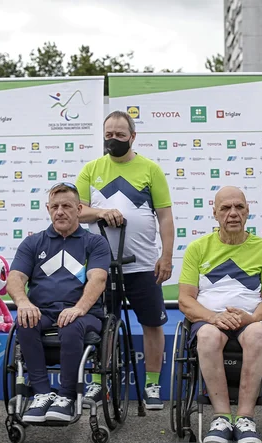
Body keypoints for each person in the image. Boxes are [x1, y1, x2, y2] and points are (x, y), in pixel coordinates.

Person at [75, 110, 174, 410]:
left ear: (133, 137)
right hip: (101, 267)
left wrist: (166, 257)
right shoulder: (92, 169)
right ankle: (97, 382)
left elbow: (166, 217)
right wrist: (101, 212)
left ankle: (153, 385)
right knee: (99, 324)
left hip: (143, 264)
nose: (113, 140)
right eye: (109, 135)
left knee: (152, 324)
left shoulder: (150, 169)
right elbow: (77, 210)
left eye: (120, 135)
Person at [179, 187, 262, 443]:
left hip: (252, 319)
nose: (233, 214)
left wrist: (251, 318)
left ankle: (246, 419)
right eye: (225, 208)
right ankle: (222, 418)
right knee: (208, 336)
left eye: (239, 207)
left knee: (259, 334)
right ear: (215, 214)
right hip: (210, 319)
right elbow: (186, 299)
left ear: (248, 211)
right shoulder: (197, 248)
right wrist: (213, 318)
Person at [7, 182, 111, 423]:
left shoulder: (94, 243)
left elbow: (98, 278)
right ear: (48, 209)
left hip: (84, 314)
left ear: (79, 209)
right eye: (55, 206)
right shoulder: (33, 243)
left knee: (71, 324)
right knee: (24, 321)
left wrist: (78, 308)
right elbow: (15, 278)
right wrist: (23, 302)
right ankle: (42, 394)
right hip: (42, 311)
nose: (60, 211)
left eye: (66, 206)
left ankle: (66, 396)